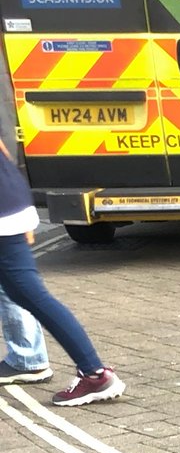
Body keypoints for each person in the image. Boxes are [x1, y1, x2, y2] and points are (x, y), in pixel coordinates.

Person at [0, 136, 123, 405]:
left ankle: (94, 373)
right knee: (22, 292)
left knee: (31, 295)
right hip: (11, 203)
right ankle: (90, 371)